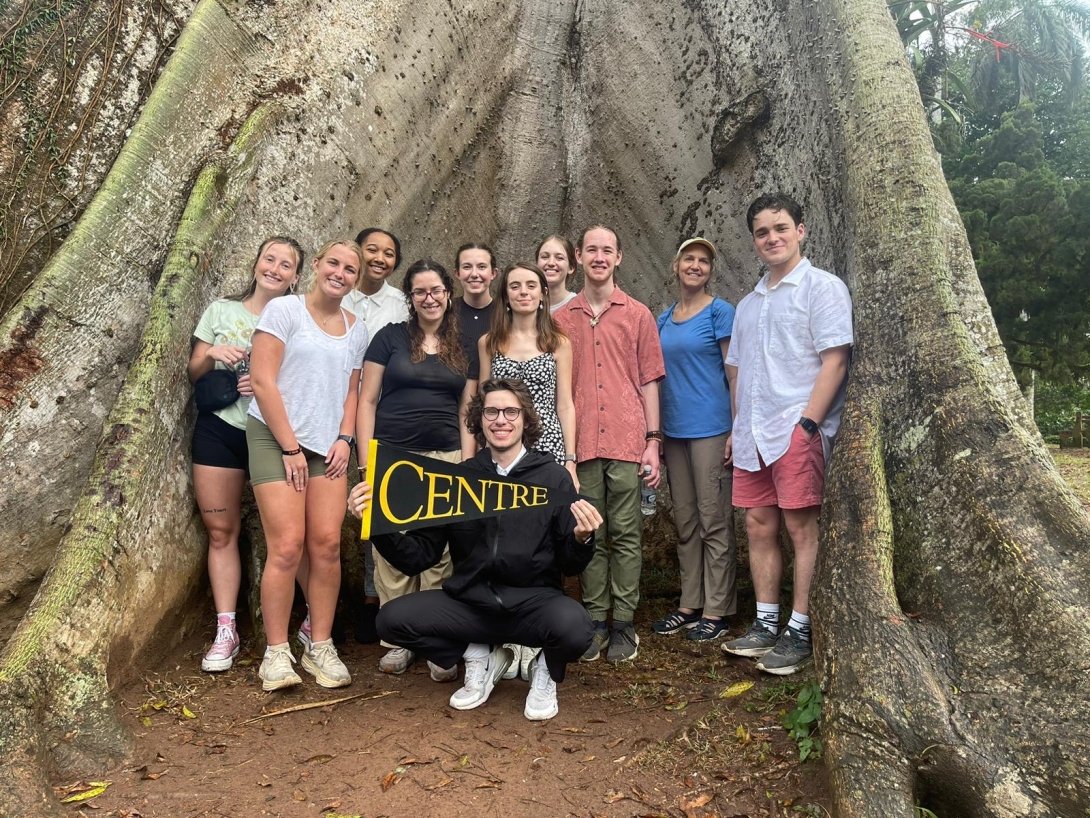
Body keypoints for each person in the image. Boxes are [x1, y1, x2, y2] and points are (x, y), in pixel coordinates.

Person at [347, 379, 603, 721]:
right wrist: (376, 524)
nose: (501, 420)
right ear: (478, 420)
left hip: (532, 604)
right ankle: (478, 656)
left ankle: (545, 668)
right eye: (491, 411)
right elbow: (417, 558)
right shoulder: (459, 479)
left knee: (578, 630)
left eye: (511, 411)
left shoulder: (554, 477)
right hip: (470, 605)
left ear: (525, 420)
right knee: (391, 620)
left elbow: (570, 566)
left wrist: (582, 539)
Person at [722, 193, 853, 675]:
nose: (772, 238)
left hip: (797, 429)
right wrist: (737, 429)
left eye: (781, 228)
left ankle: (800, 628)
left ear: (801, 229)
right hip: (752, 434)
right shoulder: (748, 303)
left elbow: (835, 360)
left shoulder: (821, 288)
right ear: (754, 241)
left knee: (801, 529)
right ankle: (765, 622)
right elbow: (737, 372)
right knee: (758, 526)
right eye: (762, 232)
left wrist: (808, 424)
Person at [248, 239, 368, 691]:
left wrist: (344, 439)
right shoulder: (284, 312)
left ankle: (319, 645)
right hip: (275, 438)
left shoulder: (357, 329)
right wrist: (290, 448)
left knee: (326, 546)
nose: (340, 272)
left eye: (349, 269)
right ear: (316, 266)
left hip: (328, 445)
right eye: (333, 263)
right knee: (286, 546)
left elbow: (352, 391)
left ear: (356, 280)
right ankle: (276, 653)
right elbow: (262, 380)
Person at [357, 259, 478, 678]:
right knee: (391, 548)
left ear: (448, 293)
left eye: (436, 290)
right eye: (420, 292)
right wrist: (366, 464)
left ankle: (434, 638)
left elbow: (467, 411)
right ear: (410, 298)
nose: (430, 298)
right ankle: (396, 640)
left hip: (445, 460)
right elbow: (367, 401)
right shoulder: (389, 338)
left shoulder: (463, 345)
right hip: (392, 458)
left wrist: (466, 465)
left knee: (440, 554)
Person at [189, 236, 303, 672]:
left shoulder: (299, 318)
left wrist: (263, 382)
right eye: (269, 259)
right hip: (221, 430)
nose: (275, 268)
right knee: (220, 530)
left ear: (296, 276)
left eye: (286, 264)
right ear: (256, 263)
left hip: (277, 435)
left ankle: (313, 626)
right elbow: (194, 368)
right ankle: (226, 628)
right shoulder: (222, 310)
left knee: (295, 535)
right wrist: (212, 353)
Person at [553, 225, 665, 663]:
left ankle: (624, 621)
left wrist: (653, 441)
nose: (599, 257)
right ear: (578, 257)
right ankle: (595, 618)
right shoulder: (560, 320)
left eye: (608, 250)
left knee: (626, 534)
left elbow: (650, 381)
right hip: (580, 445)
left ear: (619, 258)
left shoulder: (638, 315)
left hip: (626, 440)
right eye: (592, 250)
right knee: (589, 533)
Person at [479, 262, 578, 680]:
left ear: (543, 293)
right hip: (501, 453)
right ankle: (505, 638)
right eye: (515, 286)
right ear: (505, 294)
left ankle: (537, 640)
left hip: (548, 449)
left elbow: (565, 404)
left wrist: (570, 462)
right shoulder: (490, 342)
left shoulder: (558, 341)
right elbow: (483, 402)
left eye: (531, 286)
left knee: (544, 543)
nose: (523, 292)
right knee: (503, 537)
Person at [652, 238, 737, 642]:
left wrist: (738, 427)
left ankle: (718, 610)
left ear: (710, 270)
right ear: (675, 264)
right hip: (675, 433)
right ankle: (690, 603)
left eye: (704, 261)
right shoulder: (664, 319)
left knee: (713, 519)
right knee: (685, 521)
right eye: (689, 258)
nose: (696, 266)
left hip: (712, 429)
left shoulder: (720, 312)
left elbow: (734, 373)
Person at [338, 227, 409, 644]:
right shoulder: (337, 293)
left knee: (374, 504)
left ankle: (371, 597)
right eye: (372, 250)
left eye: (389, 252)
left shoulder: (400, 304)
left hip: (379, 415)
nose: (380, 258)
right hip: (328, 411)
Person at [453, 242, 498, 354]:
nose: (474, 274)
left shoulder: (506, 314)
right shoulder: (445, 312)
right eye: (467, 267)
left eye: (481, 267)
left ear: (493, 273)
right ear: (457, 273)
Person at [536, 235, 578, 313]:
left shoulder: (578, 306)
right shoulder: (526, 303)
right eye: (545, 257)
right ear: (536, 264)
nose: (551, 263)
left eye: (559, 258)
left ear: (571, 267)